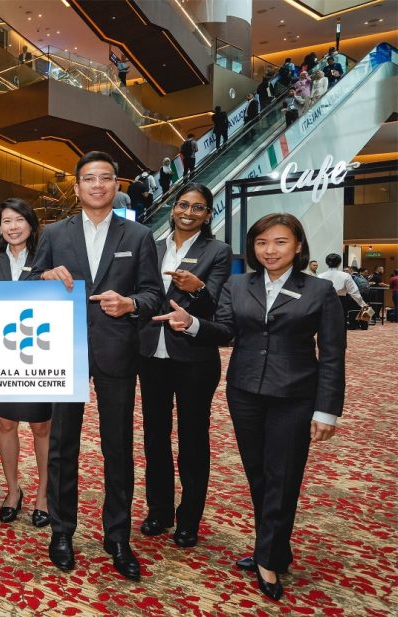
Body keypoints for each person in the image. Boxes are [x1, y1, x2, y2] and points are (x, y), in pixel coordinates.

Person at [155, 213, 344, 601]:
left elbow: (332, 355)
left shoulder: (319, 290)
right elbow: (225, 332)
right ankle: (275, 548)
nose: (270, 250)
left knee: (283, 476)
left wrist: (326, 410)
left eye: (280, 242)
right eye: (262, 243)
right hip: (244, 393)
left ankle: (268, 558)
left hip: (294, 395)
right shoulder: (238, 285)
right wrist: (192, 323)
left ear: (298, 246)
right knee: (258, 475)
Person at [32, 150, 162, 581]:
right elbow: (29, 281)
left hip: (117, 350)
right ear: (77, 187)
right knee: (62, 444)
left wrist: (130, 304)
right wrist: (44, 277)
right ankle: (62, 531)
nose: (97, 185)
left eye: (105, 177)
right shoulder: (54, 233)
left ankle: (117, 536)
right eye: (89, 178)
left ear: (115, 185)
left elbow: (153, 295)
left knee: (118, 446)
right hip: (63, 351)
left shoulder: (139, 235)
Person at [138, 183, 231, 549]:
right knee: (155, 437)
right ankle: (159, 510)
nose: (188, 212)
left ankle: (189, 518)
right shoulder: (153, 246)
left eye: (197, 208)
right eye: (182, 205)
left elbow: (217, 309)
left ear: (208, 215)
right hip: (151, 356)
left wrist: (197, 289)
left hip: (194, 358)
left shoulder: (217, 251)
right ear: (172, 208)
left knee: (192, 440)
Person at [0, 198, 51, 527]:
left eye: (19, 220)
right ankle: (13, 491)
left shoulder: (46, 258)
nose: (12, 227)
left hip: (40, 351)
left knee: (41, 427)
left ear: (31, 225)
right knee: (5, 424)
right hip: (0, 352)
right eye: (6, 221)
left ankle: (43, 496)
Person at [319, 253, 369, 330]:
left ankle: (324, 337)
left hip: (325, 301)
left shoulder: (320, 276)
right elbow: (354, 292)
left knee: (325, 323)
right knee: (341, 324)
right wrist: (363, 304)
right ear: (339, 263)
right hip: (341, 301)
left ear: (326, 263)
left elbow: (316, 292)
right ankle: (340, 338)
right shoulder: (345, 276)